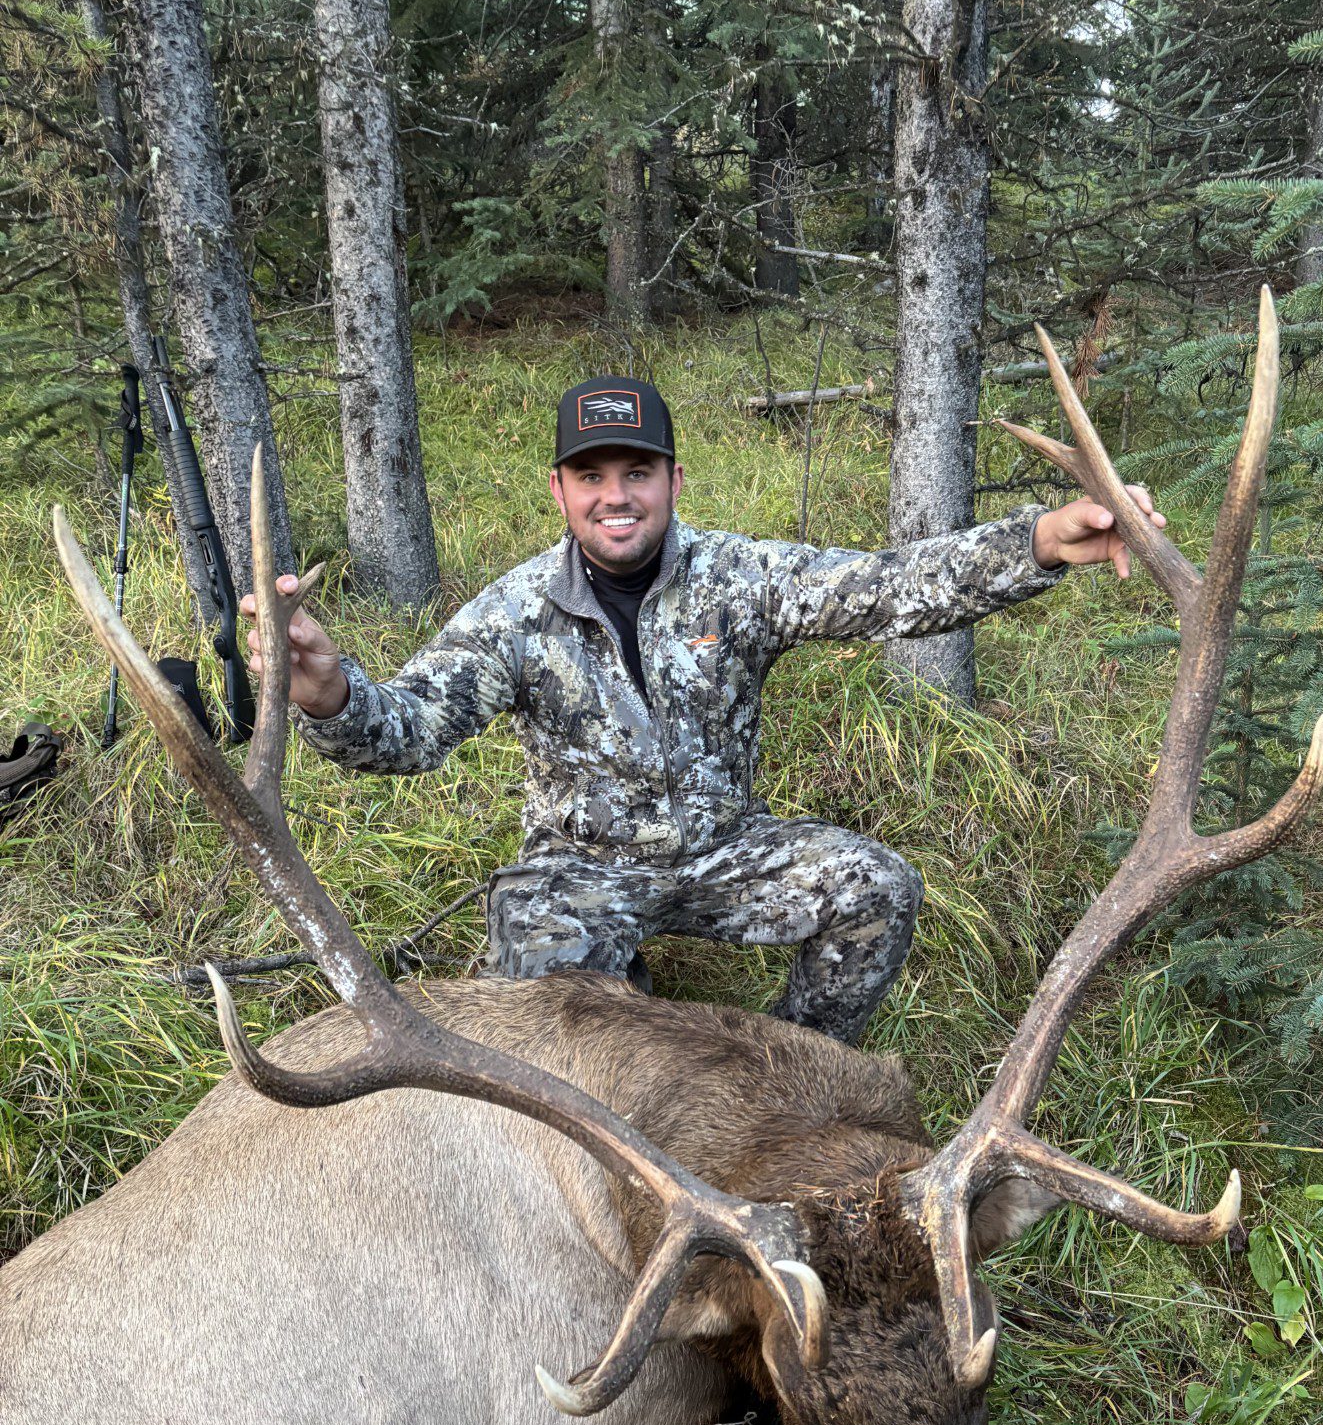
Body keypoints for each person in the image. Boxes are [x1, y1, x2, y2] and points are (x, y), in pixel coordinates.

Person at [244, 374, 1165, 1044]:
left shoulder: (738, 578)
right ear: (560, 491)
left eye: (637, 471)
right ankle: (615, 1049)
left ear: (674, 481)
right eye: (592, 475)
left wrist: (1039, 540)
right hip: (579, 872)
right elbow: (410, 729)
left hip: (726, 850)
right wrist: (331, 693)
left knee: (876, 888)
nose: (616, 496)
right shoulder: (514, 614)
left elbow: (884, 589)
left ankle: (782, 1065)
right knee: (539, 994)